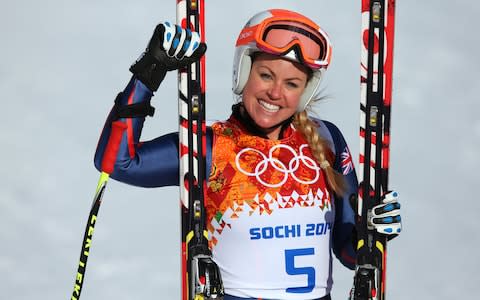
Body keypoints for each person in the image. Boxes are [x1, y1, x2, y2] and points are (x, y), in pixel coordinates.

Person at [94, 8, 401, 300]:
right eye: (266, 75)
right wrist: (150, 72)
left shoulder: (326, 139)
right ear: (243, 72)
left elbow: (348, 252)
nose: (276, 93)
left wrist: (371, 230)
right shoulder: (210, 145)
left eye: (292, 84)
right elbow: (117, 162)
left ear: (304, 92)